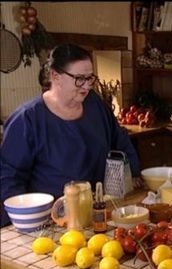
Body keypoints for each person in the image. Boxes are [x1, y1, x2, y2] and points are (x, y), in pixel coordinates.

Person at [1, 43, 143, 227]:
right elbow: (9, 177)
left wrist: (134, 172)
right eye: (79, 79)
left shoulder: (95, 105)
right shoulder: (27, 119)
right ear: (55, 76)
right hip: (50, 222)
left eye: (90, 78)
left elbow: (119, 139)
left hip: (95, 212)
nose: (86, 86)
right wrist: (21, 223)